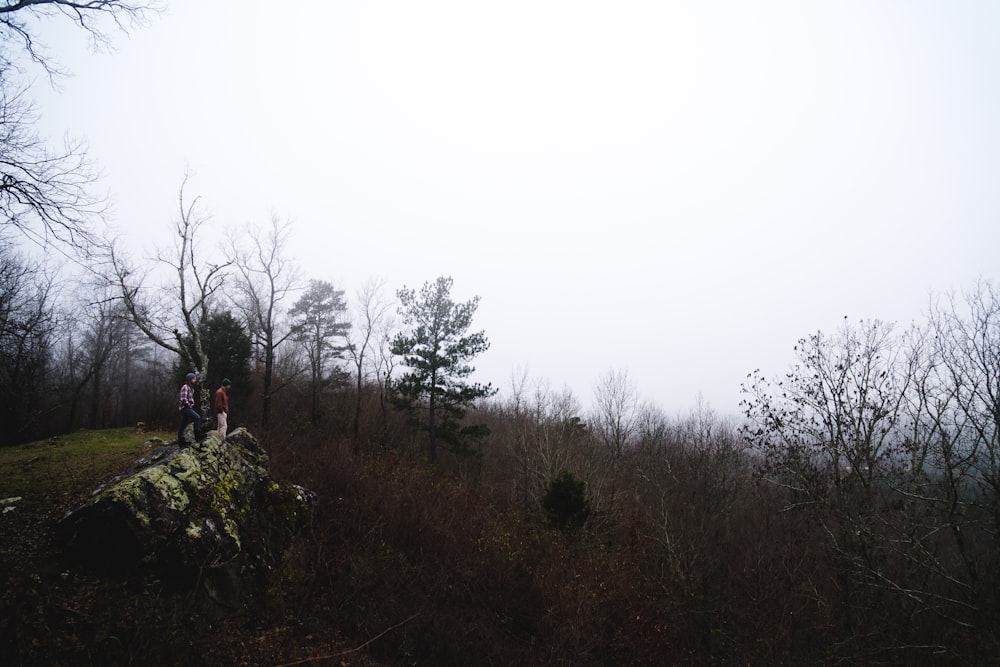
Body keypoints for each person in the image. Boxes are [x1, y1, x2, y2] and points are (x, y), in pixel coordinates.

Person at [177, 372, 204, 447]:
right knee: (197, 418)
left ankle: (181, 442)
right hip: (185, 408)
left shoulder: (191, 388)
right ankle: (197, 436)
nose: (195, 380)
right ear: (190, 379)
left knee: (183, 425)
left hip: (187, 407)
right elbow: (183, 399)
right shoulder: (185, 387)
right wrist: (189, 405)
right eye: (194, 379)